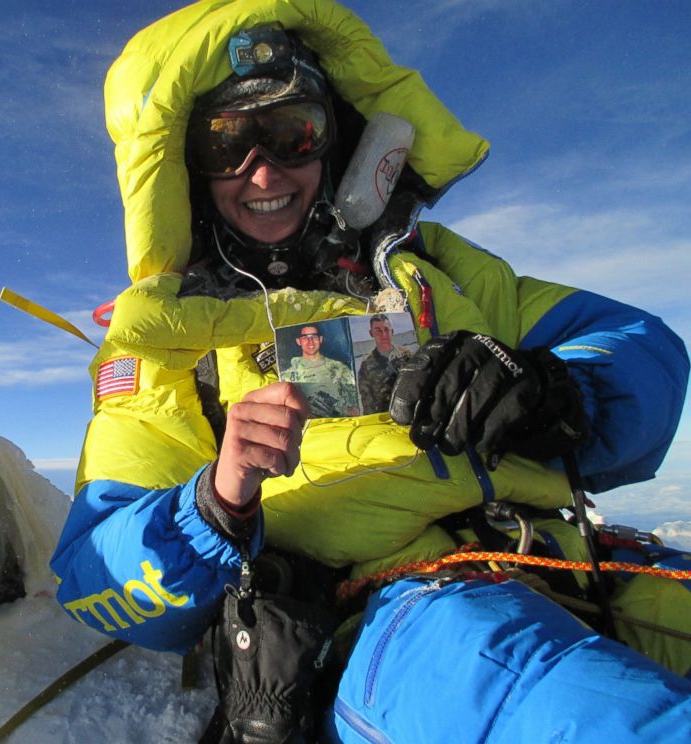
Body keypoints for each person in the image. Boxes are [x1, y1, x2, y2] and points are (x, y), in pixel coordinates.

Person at [50, 1, 691, 741]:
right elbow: (92, 578)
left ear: (339, 139)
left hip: (577, 562)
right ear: (182, 170)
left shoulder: (443, 266)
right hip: (399, 617)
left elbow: (637, 342)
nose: (264, 168)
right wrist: (216, 503)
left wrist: (554, 385)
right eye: (226, 144)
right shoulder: (165, 347)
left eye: (293, 132)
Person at [284, 324, 359, 418]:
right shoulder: (289, 375)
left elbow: (356, 399)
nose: (310, 341)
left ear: (320, 339)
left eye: (314, 337)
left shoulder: (338, 368)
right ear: (298, 341)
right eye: (305, 337)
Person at [356, 314, 411, 414]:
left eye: (386, 329)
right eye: (378, 331)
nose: (384, 335)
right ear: (371, 333)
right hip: (385, 417)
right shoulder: (366, 365)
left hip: (408, 411)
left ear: (392, 331)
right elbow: (367, 402)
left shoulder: (406, 355)